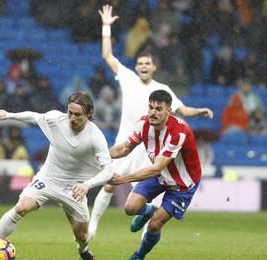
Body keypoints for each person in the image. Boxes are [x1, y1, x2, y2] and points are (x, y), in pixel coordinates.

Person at [89, 4, 213, 239]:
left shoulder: (162, 90)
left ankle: (148, 223)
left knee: (148, 188)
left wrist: (200, 112)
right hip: (126, 141)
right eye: (140, 64)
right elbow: (107, 55)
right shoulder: (127, 78)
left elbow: (182, 109)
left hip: (150, 148)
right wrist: (106, 26)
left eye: (147, 64)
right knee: (108, 184)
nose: (144, 67)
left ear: (154, 67)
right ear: (136, 67)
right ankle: (93, 226)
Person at [0, 92, 113, 260]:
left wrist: (87, 185)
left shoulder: (95, 137)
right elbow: (34, 117)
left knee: (82, 235)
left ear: (89, 113)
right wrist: (9, 115)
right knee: (21, 207)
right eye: (70, 113)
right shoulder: (56, 119)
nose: (72, 118)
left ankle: (84, 251)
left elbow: (108, 171)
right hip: (48, 179)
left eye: (78, 115)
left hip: (74, 189)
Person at [108, 90, 201, 260]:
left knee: (155, 224)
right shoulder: (143, 123)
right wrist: (102, 154)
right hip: (160, 176)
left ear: (169, 111)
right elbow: (124, 148)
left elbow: (157, 167)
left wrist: (123, 179)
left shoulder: (179, 132)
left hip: (182, 183)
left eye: (158, 109)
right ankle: (149, 210)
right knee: (130, 208)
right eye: (151, 107)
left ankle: (138, 255)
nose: (153, 112)